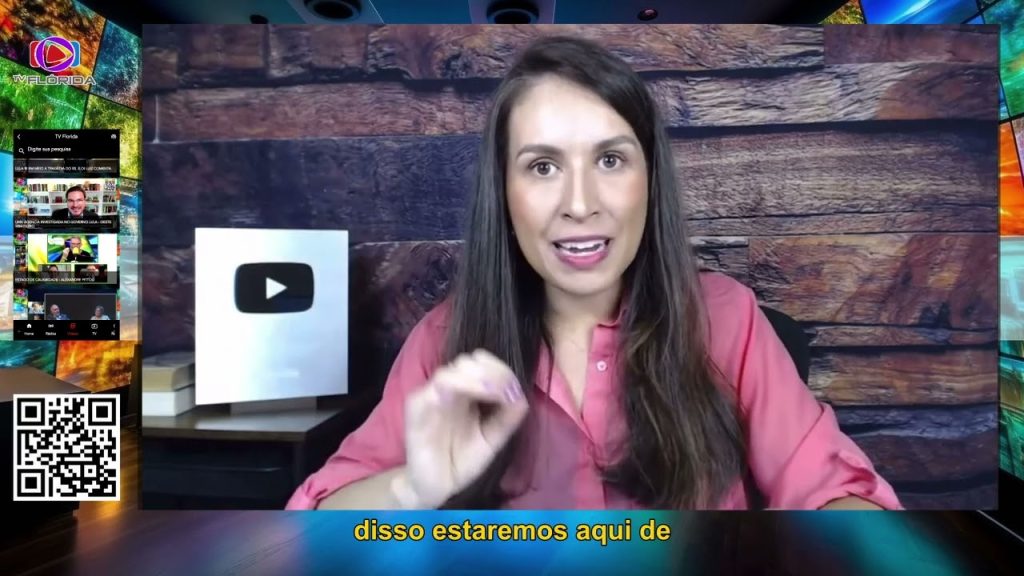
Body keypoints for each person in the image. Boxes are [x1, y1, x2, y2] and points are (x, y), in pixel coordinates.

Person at [288, 36, 902, 511]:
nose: (580, 203)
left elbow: (838, 495)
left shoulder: (728, 321)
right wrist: (412, 488)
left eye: (610, 159)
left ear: (649, 180)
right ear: (503, 193)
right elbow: (311, 522)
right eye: (542, 167)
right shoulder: (444, 341)